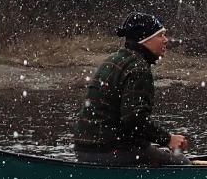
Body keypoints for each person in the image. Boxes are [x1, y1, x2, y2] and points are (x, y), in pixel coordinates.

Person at [73, 11, 191, 166]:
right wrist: (168, 139)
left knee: (152, 150)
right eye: (160, 35)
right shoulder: (138, 68)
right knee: (181, 163)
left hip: (84, 149)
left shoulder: (113, 59)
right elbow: (134, 119)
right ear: (145, 39)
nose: (165, 40)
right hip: (109, 151)